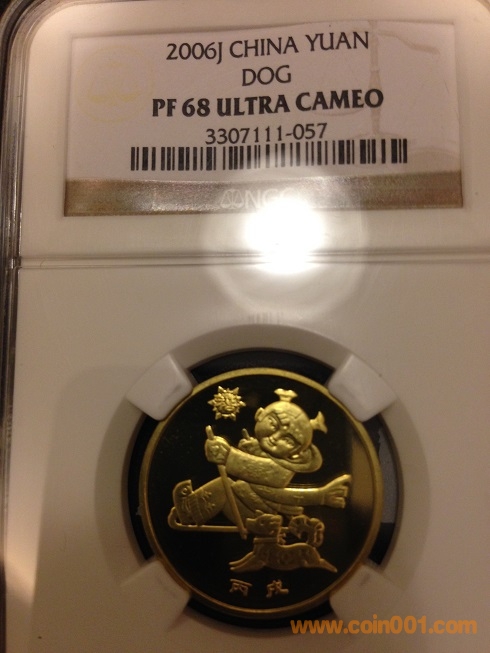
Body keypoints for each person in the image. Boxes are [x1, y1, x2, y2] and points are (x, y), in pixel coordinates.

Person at [170, 389, 350, 528]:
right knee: (226, 486)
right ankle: (190, 509)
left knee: (222, 487)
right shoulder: (259, 449)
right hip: (246, 501)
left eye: (288, 440)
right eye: (273, 424)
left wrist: (228, 456)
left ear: (297, 452)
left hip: (258, 514)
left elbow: (256, 469)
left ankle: (189, 511)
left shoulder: (282, 470)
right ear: (259, 415)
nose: (275, 437)